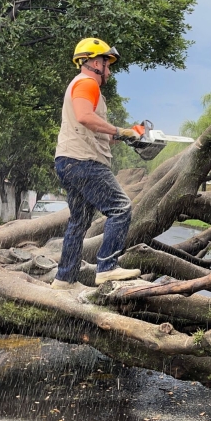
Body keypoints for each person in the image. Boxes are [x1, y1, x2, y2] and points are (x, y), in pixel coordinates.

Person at [51, 37, 141, 289]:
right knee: (120, 209)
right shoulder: (87, 83)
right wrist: (119, 130)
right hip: (84, 162)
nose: (109, 70)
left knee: (79, 221)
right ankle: (107, 267)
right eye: (106, 63)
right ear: (92, 62)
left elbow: (93, 129)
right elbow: (84, 117)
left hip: (69, 160)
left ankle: (64, 279)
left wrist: (126, 134)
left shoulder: (81, 86)